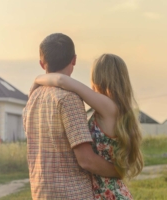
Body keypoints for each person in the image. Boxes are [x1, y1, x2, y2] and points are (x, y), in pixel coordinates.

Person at [31, 53, 144, 199]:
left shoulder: (108, 107)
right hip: (112, 193)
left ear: (99, 78)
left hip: (106, 195)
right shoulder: (115, 109)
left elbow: (61, 80)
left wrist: (37, 79)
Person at [23, 33, 120, 200]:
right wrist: (119, 171)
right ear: (74, 60)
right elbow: (86, 160)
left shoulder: (32, 98)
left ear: (42, 64)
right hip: (72, 193)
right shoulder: (69, 99)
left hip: (40, 192)